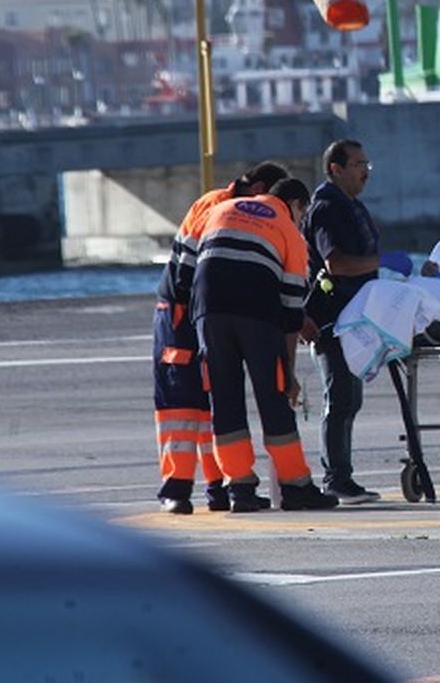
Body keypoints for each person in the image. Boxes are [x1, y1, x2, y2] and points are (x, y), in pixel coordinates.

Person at [152, 160, 287, 515]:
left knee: (216, 403)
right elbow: (187, 272)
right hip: (182, 313)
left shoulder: (240, 209)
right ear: (258, 187)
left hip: (207, 311)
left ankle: (221, 487)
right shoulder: (213, 206)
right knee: (182, 407)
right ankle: (176, 488)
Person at [195, 177, 338, 512]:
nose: (302, 221)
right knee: (273, 398)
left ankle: (239, 488)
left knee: (225, 400)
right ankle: (295, 485)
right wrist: (287, 373)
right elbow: (291, 307)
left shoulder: (222, 209)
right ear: (295, 205)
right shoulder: (287, 228)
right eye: (302, 213)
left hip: (208, 311)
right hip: (255, 314)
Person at [300, 138, 384, 504]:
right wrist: (382, 264)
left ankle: (341, 477)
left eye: (367, 163)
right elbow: (336, 263)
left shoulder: (352, 206)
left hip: (355, 316)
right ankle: (336, 479)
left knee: (350, 399)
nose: (365, 171)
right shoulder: (327, 208)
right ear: (336, 168)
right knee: (340, 398)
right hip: (333, 318)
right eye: (358, 164)